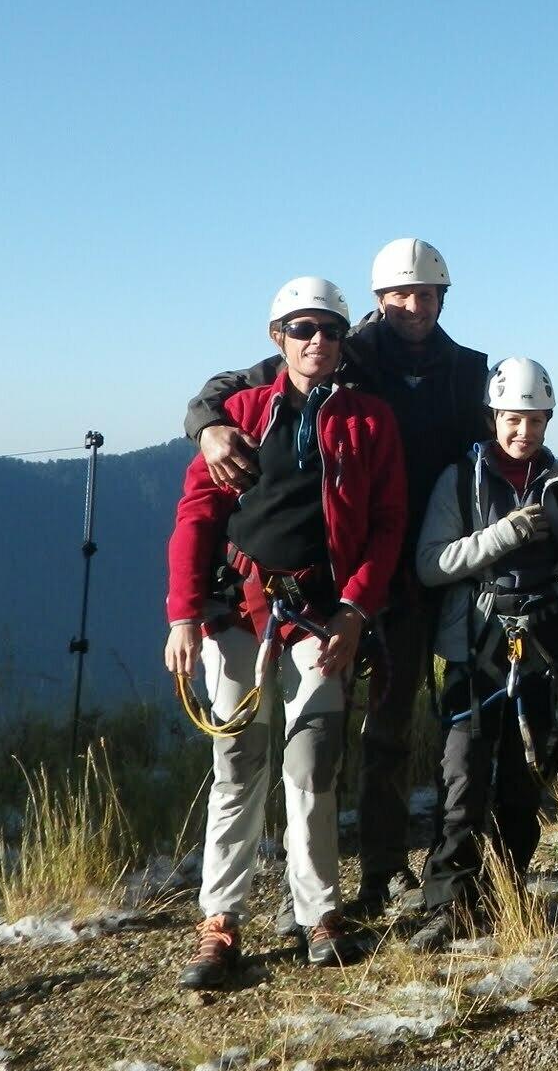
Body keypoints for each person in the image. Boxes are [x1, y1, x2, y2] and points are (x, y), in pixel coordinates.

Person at [184, 238, 489, 921]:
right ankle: (317, 892)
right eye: (399, 294)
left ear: (443, 298)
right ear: (378, 300)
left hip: (420, 569)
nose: (413, 306)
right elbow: (228, 389)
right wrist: (207, 428)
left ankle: (382, 869)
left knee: (390, 724)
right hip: (337, 575)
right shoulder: (338, 347)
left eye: (425, 294)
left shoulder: (468, 370)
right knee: (317, 736)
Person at [164, 278, 406, 989]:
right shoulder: (241, 414)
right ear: (278, 338)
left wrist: (356, 610)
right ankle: (220, 919)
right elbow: (197, 515)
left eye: (330, 330)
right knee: (238, 767)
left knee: (312, 765)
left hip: (321, 619)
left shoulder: (369, 421)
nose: (317, 341)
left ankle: (319, 912)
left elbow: (388, 524)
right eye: (302, 329)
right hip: (238, 614)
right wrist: (182, 614)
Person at [409, 357, 558, 953]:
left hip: (541, 648)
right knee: (463, 775)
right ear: (492, 417)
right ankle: (449, 901)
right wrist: (501, 535)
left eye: (534, 420)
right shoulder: (461, 480)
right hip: (475, 647)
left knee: (524, 780)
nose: (523, 431)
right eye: (512, 419)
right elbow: (431, 564)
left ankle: (505, 890)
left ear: (548, 420)